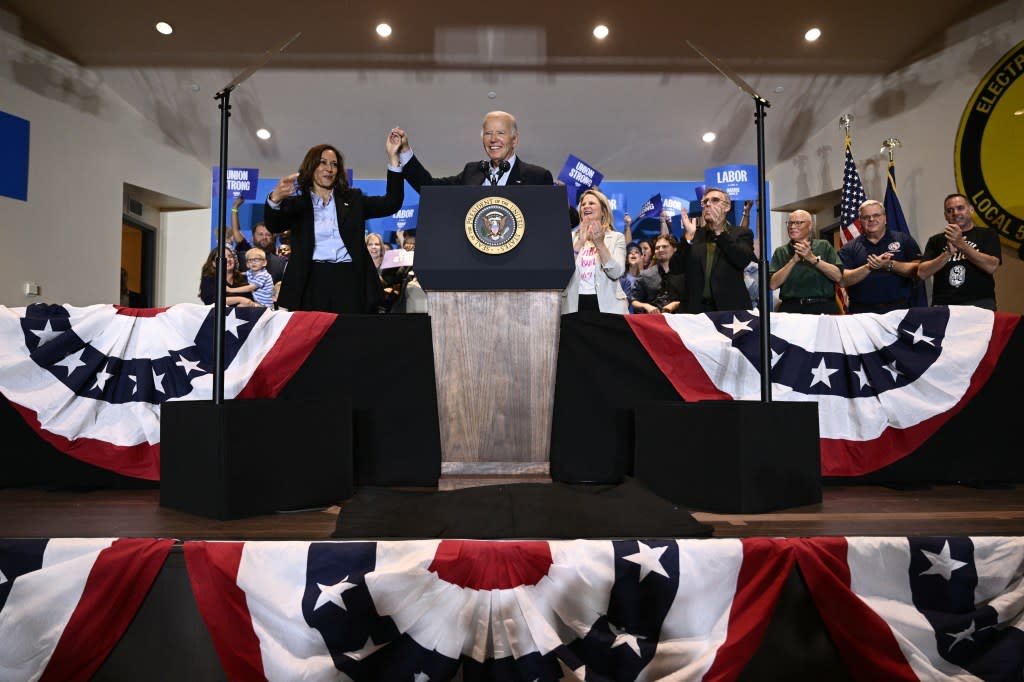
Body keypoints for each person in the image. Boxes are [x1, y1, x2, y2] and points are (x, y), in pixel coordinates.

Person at [263, 133, 403, 314]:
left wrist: (394, 158)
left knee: (350, 338)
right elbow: (274, 225)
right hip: (310, 281)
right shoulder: (297, 203)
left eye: (334, 164)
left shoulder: (353, 199)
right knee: (314, 340)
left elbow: (392, 202)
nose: (329, 168)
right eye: (323, 162)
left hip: (349, 280)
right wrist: (275, 199)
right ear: (311, 166)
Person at [392, 111, 579, 225]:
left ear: (514, 140)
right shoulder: (472, 172)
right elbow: (430, 188)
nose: (493, 139)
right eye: (488, 133)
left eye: (500, 133)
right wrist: (405, 152)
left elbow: (566, 221)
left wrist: (564, 205)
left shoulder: (537, 176)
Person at [670, 187, 755, 313]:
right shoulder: (695, 235)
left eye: (715, 200)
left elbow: (742, 260)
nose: (708, 204)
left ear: (727, 207)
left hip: (730, 311)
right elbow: (675, 268)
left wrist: (719, 231)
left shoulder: (741, 233)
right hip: (697, 312)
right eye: (705, 202)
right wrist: (688, 240)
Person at [917, 193, 1001, 310]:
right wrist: (947, 254)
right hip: (943, 305)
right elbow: (922, 273)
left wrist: (961, 244)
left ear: (971, 210)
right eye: (950, 210)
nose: (955, 213)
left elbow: (991, 266)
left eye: (960, 208)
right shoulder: (935, 240)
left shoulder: (987, 234)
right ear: (945, 216)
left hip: (980, 303)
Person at [838, 199, 922, 314]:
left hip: (900, 309)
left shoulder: (903, 239)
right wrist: (869, 267)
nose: (871, 219)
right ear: (860, 221)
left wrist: (889, 265)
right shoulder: (849, 248)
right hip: (862, 312)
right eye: (866, 217)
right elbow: (842, 280)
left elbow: (919, 270)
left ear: (885, 218)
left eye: (876, 215)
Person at [561, 189, 627, 314]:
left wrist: (600, 244)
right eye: (583, 204)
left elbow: (616, 272)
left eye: (591, 203)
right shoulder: (570, 237)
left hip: (608, 307)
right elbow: (562, 271)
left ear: (603, 211)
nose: (586, 206)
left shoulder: (616, 238)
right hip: (574, 305)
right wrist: (579, 242)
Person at [768, 209, 843, 314]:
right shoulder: (781, 252)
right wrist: (793, 261)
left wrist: (812, 258)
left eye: (798, 223)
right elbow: (772, 285)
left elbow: (838, 276)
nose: (792, 226)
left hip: (823, 307)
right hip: (792, 309)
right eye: (790, 223)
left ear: (810, 226)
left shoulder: (824, 246)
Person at [230, 195, 287, 283]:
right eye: (260, 234)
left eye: (268, 234)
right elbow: (236, 231)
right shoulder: (246, 252)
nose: (264, 237)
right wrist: (235, 207)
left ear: (273, 237)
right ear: (253, 237)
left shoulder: (280, 261)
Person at [632, 234, 685, 314]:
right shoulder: (645, 275)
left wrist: (676, 304)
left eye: (664, 246)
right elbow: (634, 301)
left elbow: (692, 298)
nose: (660, 250)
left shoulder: (684, 274)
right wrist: (646, 306)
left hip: (678, 322)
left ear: (674, 249)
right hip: (653, 322)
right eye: (657, 248)